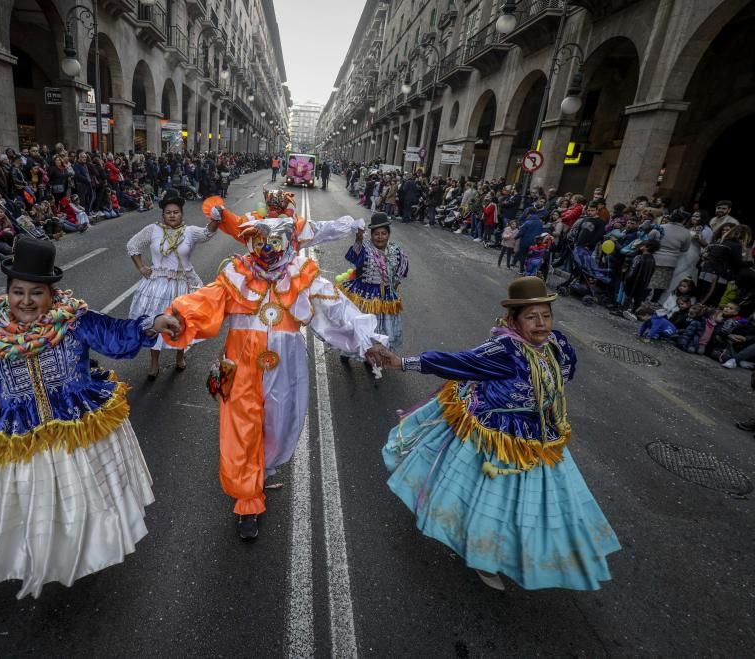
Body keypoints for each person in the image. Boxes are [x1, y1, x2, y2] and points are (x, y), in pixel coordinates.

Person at [0, 236, 180, 599]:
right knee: (29, 509)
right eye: (17, 292)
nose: (25, 301)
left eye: (35, 293)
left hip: (76, 426)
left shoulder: (73, 321)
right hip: (20, 435)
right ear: (7, 292)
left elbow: (114, 335)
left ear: (52, 294)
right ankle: (37, 559)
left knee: (83, 501)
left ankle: (82, 555)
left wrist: (154, 323)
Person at [372, 276, 620, 591]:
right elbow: (457, 362)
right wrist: (402, 362)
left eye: (546, 315)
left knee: (539, 504)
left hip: (539, 434)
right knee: (489, 501)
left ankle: (532, 554)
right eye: (531, 317)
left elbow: (563, 375)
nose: (541, 323)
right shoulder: (504, 350)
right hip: (498, 437)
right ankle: (481, 556)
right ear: (513, 321)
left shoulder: (557, 344)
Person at [164, 191, 386, 540]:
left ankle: (260, 468)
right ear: (252, 241)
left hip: (286, 365)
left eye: (275, 241)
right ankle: (247, 501)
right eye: (261, 241)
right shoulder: (235, 272)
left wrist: (366, 339)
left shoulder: (301, 274)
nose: (268, 248)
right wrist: (176, 315)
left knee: (280, 427)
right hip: (239, 364)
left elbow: (335, 305)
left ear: (287, 241)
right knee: (241, 429)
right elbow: (206, 300)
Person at [126, 193, 219, 379]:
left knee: (182, 323)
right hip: (157, 287)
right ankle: (154, 363)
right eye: (168, 212)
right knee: (154, 323)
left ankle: (179, 356)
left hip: (183, 285)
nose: (172, 215)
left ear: (182, 214)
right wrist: (142, 267)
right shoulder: (152, 230)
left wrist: (216, 218)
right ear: (163, 215)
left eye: (176, 212)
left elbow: (207, 232)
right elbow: (132, 245)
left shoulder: (190, 232)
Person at [338, 212, 409, 359]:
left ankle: (372, 355)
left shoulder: (396, 251)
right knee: (360, 325)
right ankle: (348, 351)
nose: (380, 237)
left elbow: (400, 272)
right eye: (377, 234)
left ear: (389, 234)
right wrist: (358, 239)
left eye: (384, 233)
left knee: (380, 329)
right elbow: (355, 256)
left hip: (386, 297)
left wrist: (394, 287)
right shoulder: (365, 249)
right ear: (371, 235)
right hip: (364, 294)